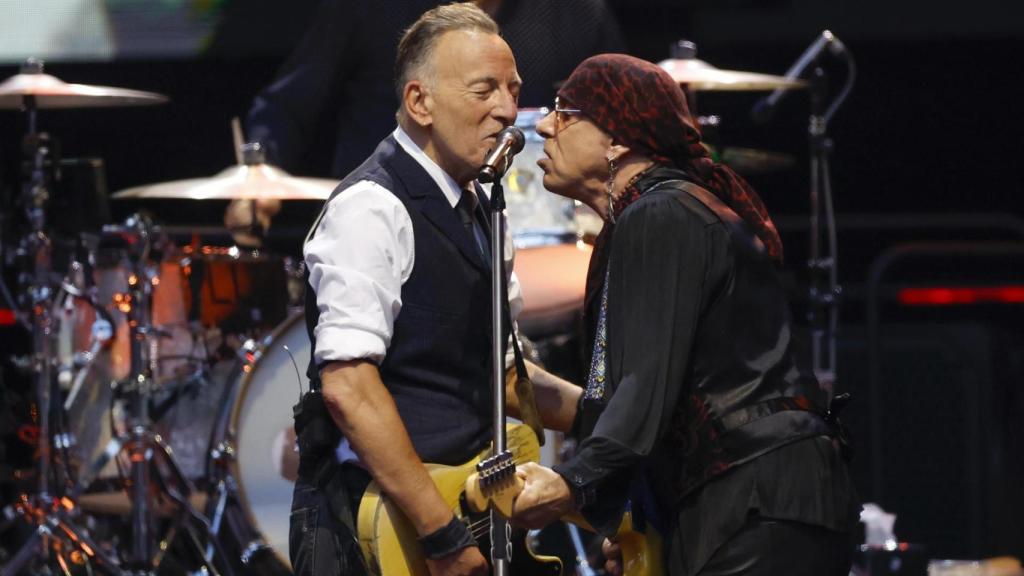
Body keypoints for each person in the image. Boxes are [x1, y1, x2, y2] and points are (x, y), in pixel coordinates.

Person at [509, 54, 860, 576]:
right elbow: (649, 398)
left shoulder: (661, 214)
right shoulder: (658, 214)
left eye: (565, 111)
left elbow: (644, 394)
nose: (541, 126)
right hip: (754, 499)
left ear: (617, 139)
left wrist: (570, 482)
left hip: (760, 500)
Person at [294, 4, 582, 576]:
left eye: (513, 89)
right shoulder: (371, 210)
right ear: (420, 101)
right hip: (386, 530)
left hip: (464, 512)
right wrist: (443, 536)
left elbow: (501, 376)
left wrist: (614, 419)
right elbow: (348, 387)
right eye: (484, 90)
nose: (507, 110)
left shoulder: (482, 211)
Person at [245, 0, 624, 179]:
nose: (505, 110)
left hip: (526, 228)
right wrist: (261, 171)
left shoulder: (575, 13)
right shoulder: (369, 9)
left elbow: (619, 114)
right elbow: (291, 101)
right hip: (388, 212)